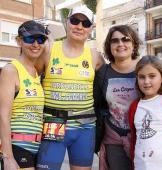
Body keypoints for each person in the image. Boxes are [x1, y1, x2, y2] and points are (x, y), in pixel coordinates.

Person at [35, 6, 105, 170]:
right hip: (53, 123)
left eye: (85, 23)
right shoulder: (48, 49)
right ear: (66, 22)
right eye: (75, 21)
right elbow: (31, 79)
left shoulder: (96, 57)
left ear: (91, 29)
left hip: (85, 127)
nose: (79, 27)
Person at [0, 20, 48, 170]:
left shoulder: (35, 72)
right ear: (18, 41)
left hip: (36, 148)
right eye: (29, 38)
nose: (35, 44)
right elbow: (3, 116)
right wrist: (8, 158)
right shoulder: (11, 70)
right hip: (18, 147)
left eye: (40, 39)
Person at [93, 25, 140, 170]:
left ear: (133, 44)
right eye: (115, 41)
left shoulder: (144, 67)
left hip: (143, 138)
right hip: (114, 139)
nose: (120, 44)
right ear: (109, 46)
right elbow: (96, 103)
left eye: (125, 39)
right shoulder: (103, 72)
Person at [128, 55, 162, 170]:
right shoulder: (134, 107)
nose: (146, 81)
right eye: (142, 77)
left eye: (152, 76)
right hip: (140, 165)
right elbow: (135, 139)